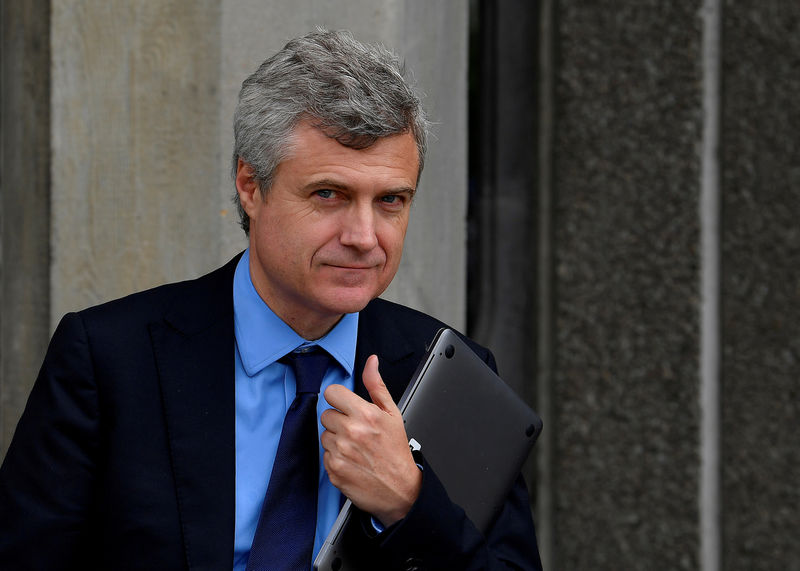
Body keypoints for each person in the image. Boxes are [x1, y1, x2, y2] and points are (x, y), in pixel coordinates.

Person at [0, 29, 542, 570]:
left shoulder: (455, 381)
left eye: (390, 201)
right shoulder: (109, 359)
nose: (364, 235)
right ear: (250, 186)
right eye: (328, 194)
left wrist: (410, 504)